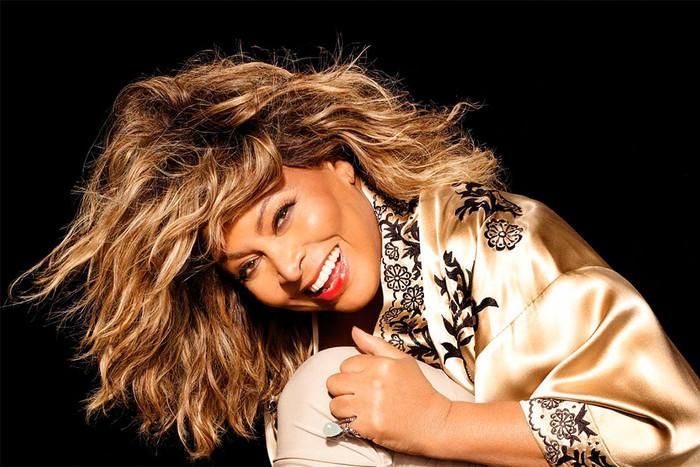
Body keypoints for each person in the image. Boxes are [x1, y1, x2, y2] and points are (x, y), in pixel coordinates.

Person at [10, 50, 700, 466]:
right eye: (248, 266)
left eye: (282, 214)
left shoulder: (491, 236)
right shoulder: (293, 339)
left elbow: (669, 428)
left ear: (337, 162)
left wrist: (439, 424)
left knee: (324, 388)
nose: (288, 267)